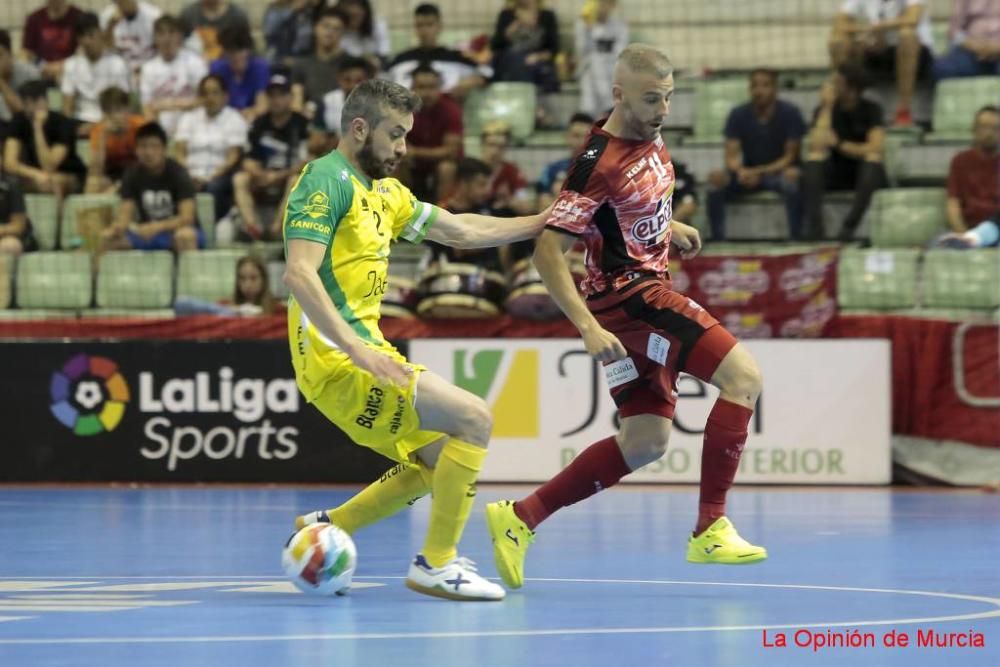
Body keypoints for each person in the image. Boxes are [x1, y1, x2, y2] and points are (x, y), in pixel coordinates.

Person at [483, 44, 768, 592]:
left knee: (644, 442)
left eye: (667, 97)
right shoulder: (598, 160)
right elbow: (548, 252)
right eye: (650, 99)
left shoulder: (650, 132)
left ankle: (520, 519)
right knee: (744, 378)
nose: (662, 109)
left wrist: (667, 229)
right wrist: (588, 327)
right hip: (631, 302)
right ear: (618, 95)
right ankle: (711, 527)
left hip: (640, 290)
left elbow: (622, 215)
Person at [286, 78, 549, 601]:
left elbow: (459, 231)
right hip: (338, 357)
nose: (404, 147)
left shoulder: (385, 193)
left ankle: (325, 524)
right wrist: (355, 349)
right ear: (359, 129)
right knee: (474, 419)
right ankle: (436, 563)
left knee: (438, 460)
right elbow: (299, 273)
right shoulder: (325, 180)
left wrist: (543, 221)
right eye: (395, 134)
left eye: (407, 134)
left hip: (358, 352)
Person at [706, 69, 805, 241]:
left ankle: (797, 238)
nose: (759, 91)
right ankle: (717, 240)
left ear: (775, 89)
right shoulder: (738, 114)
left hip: (779, 173)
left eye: (765, 85)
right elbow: (731, 156)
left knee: (792, 183)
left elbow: (789, 157)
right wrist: (740, 171)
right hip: (748, 174)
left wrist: (759, 172)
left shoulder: (791, 113)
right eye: (754, 86)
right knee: (715, 183)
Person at [802, 65, 887, 242]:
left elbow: (875, 148)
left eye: (837, 83)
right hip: (835, 171)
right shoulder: (824, 110)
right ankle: (815, 229)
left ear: (852, 89)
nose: (831, 86)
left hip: (862, 174)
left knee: (873, 160)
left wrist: (840, 144)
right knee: (813, 160)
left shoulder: (872, 110)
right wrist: (826, 108)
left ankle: (849, 227)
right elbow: (816, 146)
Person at [231, 72, 309, 241]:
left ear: (290, 97)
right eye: (272, 95)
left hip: (289, 175)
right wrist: (260, 174)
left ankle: (276, 227)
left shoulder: (301, 123)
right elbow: (248, 160)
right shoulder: (259, 124)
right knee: (240, 178)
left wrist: (278, 176)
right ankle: (254, 227)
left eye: (281, 95)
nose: (276, 100)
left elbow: (306, 161)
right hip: (264, 176)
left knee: (296, 180)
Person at [828, 0, 934, 127]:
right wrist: (867, 32)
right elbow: (839, 23)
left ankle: (904, 111)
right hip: (879, 51)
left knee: (907, 35)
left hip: (918, 54)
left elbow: (912, 19)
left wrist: (880, 27)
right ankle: (846, 106)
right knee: (838, 40)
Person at [101, 121, 202, 251]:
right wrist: (116, 228)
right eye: (143, 146)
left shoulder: (179, 173)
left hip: (177, 230)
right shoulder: (131, 174)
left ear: (164, 149)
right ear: (136, 150)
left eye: (154, 147)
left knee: (184, 236)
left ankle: (189, 271)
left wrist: (157, 227)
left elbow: (187, 218)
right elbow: (125, 214)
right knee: (108, 240)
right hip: (148, 233)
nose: (148, 152)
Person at [174, 74, 247, 221]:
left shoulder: (235, 119)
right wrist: (189, 175)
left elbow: (233, 156)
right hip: (190, 173)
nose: (210, 97)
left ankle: (207, 229)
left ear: (225, 96)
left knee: (214, 188)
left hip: (220, 175)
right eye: (205, 93)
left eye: (215, 92)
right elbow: (179, 152)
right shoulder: (188, 118)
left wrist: (209, 178)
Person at [385, 4, 490, 103]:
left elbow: (487, 73)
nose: (424, 30)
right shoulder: (400, 60)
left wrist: (470, 82)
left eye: (429, 24)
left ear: (439, 26)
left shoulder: (457, 58)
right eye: (420, 25)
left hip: (447, 113)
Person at [3, 80, 85, 196]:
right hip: (36, 175)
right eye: (25, 103)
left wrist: (38, 128)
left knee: (53, 183)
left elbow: (49, 166)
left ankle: (57, 214)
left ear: (43, 101)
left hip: (68, 173)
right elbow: (9, 163)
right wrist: (34, 173)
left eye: (30, 103)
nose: (27, 108)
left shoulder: (63, 123)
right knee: (10, 184)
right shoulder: (19, 120)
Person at [402, 63, 463, 203]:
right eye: (421, 87)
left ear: (439, 88)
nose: (427, 93)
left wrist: (415, 152)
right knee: (396, 162)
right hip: (413, 166)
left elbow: (451, 152)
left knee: (447, 168)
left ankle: (443, 214)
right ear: (412, 88)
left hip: (441, 165)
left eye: (432, 87)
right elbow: (397, 143)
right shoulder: (402, 109)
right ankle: (400, 210)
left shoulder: (451, 110)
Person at [140, 14, 208, 137]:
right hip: (161, 134)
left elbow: (205, 100)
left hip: (193, 130)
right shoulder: (148, 68)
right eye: (161, 34)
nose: (167, 38)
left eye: (171, 32)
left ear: (180, 36)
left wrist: (165, 104)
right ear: (155, 39)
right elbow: (147, 108)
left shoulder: (195, 63)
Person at [61, 11, 131, 128]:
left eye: (91, 35)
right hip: (80, 121)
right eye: (81, 36)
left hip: (110, 120)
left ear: (100, 34)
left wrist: (98, 127)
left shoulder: (117, 64)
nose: (86, 41)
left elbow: (122, 104)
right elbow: (67, 107)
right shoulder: (71, 64)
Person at [945, 106, 1000, 233]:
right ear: (974, 130)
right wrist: (964, 235)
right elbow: (953, 204)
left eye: (996, 128)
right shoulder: (960, 161)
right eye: (984, 127)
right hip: (968, 229)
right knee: (937, 245)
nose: (989, 133)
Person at [290, 7, 350, 117]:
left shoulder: (351, 63)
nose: (330, 32)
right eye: (325, 26)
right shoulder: (301, 64)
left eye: (336, 29)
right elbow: (296, 102)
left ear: (343, 33)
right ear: (315, 28)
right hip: (309, 119)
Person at [175, 254, 283, 315]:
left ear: (264, 279)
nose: (247, 284)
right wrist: (235, 311)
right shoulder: (224, 305)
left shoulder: (277, 309)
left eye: (253, 278)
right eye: (242, 278)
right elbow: (181, 305)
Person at [86, 86, 145, 193]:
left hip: (139, 173)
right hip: (113, 174)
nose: (120, 115)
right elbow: (95, 172)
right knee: (93, 183)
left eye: (122, 109)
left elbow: (147, 162)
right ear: (105, 114)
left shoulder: (140, 126)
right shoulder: (99, 131)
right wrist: (103, 137)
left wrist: (121, 184)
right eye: (111, 112)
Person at [575, 0, 628, 118]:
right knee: (594, 62)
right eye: (600, 2)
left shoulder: (619, 25)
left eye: (607, 3)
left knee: (598, 61)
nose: (603, 6)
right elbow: (582, 50)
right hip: (589, 71)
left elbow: (620, 53)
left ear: (613, 5)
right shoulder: (583, 23)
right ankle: (602, 110)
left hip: (612, 70)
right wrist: (588, 29)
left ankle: (608, 109)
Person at [209, 26, 270, 122]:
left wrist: (250, 113)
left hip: (251, 119)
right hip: (223, 120)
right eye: (230, 51)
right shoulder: (217, 68)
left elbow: (262, 106)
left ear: (248, 50)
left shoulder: (259, 68)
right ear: (224, 52)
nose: (235, 56)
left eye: (240, 50)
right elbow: (212, 102)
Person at [537, 111, 593, 209]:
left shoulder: (601, 172)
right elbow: (542, 206)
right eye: (576, 136)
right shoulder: (552, 170)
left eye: (587, 137)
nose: (582, 141)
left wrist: (560, 199)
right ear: (567, 137)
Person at [933, 0, 1000, 79]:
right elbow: (954, 31)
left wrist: (996, 48)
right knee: (940, 68)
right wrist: (973, 45)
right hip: (970, 51)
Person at [22, 0, 84, 82]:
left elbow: (83, 48)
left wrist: (65, 65)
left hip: (72, 71)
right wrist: (43, 66)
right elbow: (27, 52)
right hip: (42, 72)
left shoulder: (78, 16)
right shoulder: (34, 19)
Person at [99, 0, 163, 78]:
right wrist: (111, 26)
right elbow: (106, 50)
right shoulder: (107, 16)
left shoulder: (154, 15)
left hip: (148, 68)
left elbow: (162, 50)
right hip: (121, 70)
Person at [180, 0, 250, 62]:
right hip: (195, 67)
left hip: (228, 68)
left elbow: (246, 49)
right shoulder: (189, 15)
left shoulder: (237, 16)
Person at [0, 30, 41, 133]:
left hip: (26, 130)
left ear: (10, 54)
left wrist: (1, 82)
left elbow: (24, 115)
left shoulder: (30, 73)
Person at [334, 0, 391, 67]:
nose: (354, 10)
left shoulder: (377, 25)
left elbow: (384, 55)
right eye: (351, 16)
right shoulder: (335, 27)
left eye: (357, 16)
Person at [0, 169, 36, 255]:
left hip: (12, 237)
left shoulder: (12, 185)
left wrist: (2, 230)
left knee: (9, 245)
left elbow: (18, 226)